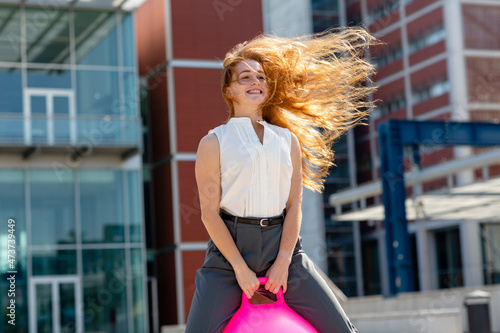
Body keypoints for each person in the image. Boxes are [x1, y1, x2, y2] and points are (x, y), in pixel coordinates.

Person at [186, 27, 377, 333]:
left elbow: (294, 203)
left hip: (284, 247)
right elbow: (209, 213)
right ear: (229, 90)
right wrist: (239, 268)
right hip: (229, 253)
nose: (255, 82)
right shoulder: (213, 143)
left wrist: (284, 261)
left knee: (343, 330)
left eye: (261, 77)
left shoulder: (287, 139)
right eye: (245, 77)